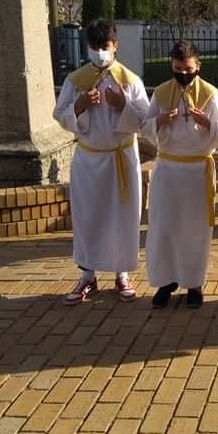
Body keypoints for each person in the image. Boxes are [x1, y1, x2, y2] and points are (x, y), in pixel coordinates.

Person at [54, 19, 149, 304]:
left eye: (104, 46)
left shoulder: (130, 81)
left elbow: (146, 121)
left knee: (123, 216)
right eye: (94, 47)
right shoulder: (76, 81)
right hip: (89, 158)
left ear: (115, 45)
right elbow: (60, 115)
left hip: (121, 156)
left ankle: (122, 273)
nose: (99, 52)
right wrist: (79, 106)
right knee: (89, 217)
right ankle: (87, 274)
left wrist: (123, 106)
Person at [144, 42, 218, 309]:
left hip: (197, 170)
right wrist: (159, 121)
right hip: (168, 168)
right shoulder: (161, 93)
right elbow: (144, 126)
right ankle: (165, 281)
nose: (183, 73)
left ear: (198, 66)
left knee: (195, 230)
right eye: (178, 68)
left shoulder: (211, 95)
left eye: (188, 69)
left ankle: (194, 283)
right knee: (163, 227)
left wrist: (207, 124)